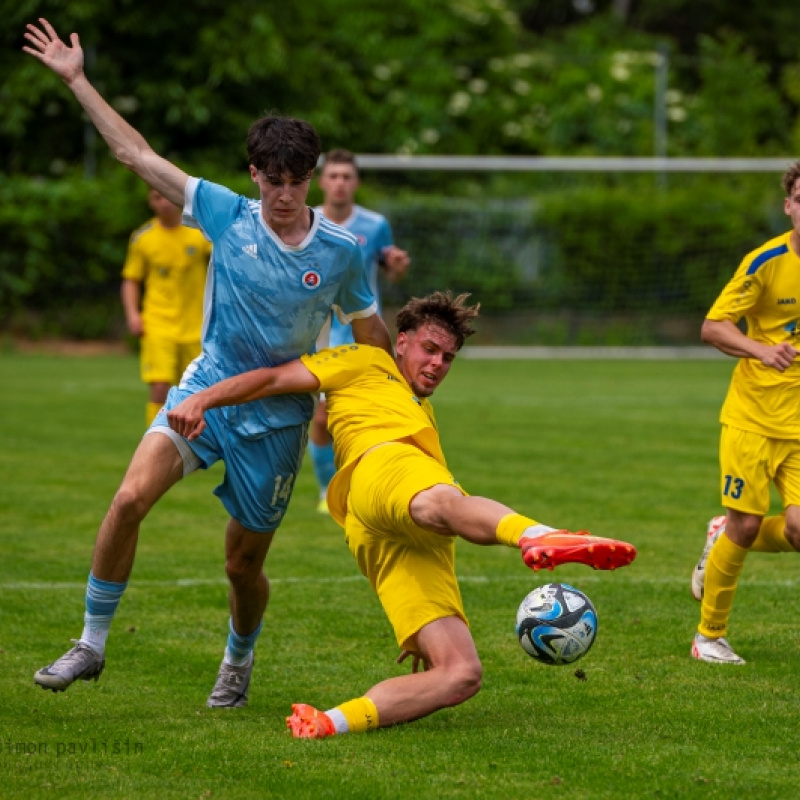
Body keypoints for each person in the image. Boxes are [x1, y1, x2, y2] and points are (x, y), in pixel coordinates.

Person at [24, 18, 392, 706]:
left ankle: (238, 658)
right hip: (204, 389)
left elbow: (371, 335)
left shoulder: (341, 251)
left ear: (311, 179)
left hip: (277, 417)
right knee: (130, 498)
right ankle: (91, 643)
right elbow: (136, 154)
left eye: (297, 182)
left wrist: (398, 401)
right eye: (273, 181)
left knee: (241, 565)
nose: (285, 196)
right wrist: (78, 81)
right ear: (254, 175)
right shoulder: (226, 214)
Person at [166, 290, 638, 736]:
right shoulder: (363, 359)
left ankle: (328, 722)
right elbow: (272, 379)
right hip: (379, 467)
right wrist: (202, 397)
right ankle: (536, 534)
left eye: (448, 358)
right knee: (442, 501)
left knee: (459, 673)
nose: (437, 364)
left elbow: (440, 523)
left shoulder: (423, 414)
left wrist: (430, 608)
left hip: (382, 533)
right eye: (429, 350)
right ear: (403, 340)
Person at [690, 159, 800, 665]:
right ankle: (708, 636)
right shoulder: (765, 263)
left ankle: (723, 534)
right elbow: (714, 326)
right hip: (753, 419)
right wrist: (762, 350)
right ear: (788, 206)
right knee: (749, 525)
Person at [309, 149, 411, 513]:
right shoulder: (307, 221)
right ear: (322, 182)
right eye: (333, 176)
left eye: (346, 177)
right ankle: (327, 492)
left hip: (364, 336)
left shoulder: (375, 225)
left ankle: (369, 488)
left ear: (356, 183)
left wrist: (397, 266)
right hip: (319, 335)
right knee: (321, 417)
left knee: (370, 415)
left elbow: (390, 269)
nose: (340, 183)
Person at [121, 187, 212, 426]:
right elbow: (131, 280)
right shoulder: (143, 237)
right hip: (158, 322)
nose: (165, 202)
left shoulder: (199, 233)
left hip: (195, 324)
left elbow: (223, 265)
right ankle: (155, 440)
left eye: (168, 196)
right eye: (157, 197)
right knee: (160, 387)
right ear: (150, 202)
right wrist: (133, 314)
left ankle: (195, 442)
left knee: (197, 389)